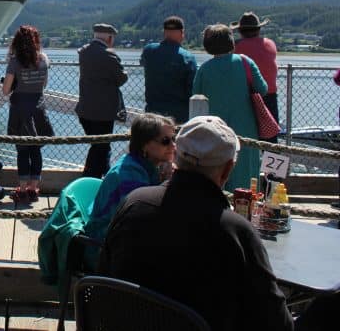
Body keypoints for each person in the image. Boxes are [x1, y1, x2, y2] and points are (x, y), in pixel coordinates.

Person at [97, 115, 294, 331]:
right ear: (228, 169)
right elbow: (279, 323)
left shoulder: (133, 204)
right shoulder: (236, 232)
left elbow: (103, 277)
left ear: (176, 159)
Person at [82, 113, 175, 267]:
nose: (173, 146)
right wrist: (168, 182)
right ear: (145, 144)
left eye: (173, 139)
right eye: (166, 141)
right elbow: (143, 218)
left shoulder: (148, 167)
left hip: (125, 241)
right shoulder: (129, 174)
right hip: (105, 249)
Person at [193, 24, 266, 191]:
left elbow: (196, 95)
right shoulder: (245, 62)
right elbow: (263, 88)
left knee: (216, 174)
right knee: (246, 179)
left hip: (215, 131)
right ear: (231, 42)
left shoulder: (204, 69)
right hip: (246, 129)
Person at [2, 25, 53, 202]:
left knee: (22, 150)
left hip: (19, 109)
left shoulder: (15, 61)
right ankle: (33, 188)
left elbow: (6, 90)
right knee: (36, 149)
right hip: (38, 108)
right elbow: (44, 85)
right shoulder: (44, 59)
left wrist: (16, 83)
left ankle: (22, 189)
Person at [75, 23, 128, 178]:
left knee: (98, 146)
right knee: (101, 146)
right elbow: (121, 78)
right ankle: (91, 177)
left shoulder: (83, 52)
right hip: (103, 112)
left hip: (85, 109)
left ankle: (103, 175)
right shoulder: (109, 55)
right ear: (109, 38)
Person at [140, 16, 197, 123]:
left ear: (164, 32)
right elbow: (191, 90)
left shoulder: (149, 50)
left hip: (153, 113)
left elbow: (142, 62)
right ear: (182, 33)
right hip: (178, 115)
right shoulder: (188, 57)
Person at [233, 11, 279, 142]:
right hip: (270, 96)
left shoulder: (236, 47)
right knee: (271, 142)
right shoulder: (270, 44)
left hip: (246, 98)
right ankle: (274, 161)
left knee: (245, 139)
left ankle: (248, 162)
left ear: (240, 31)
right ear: (258, 30)